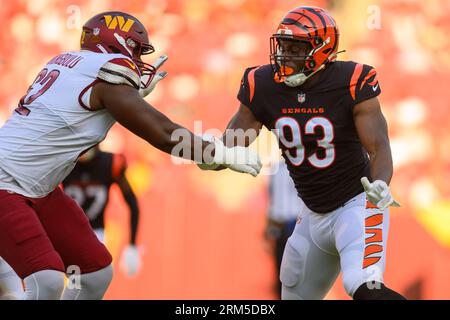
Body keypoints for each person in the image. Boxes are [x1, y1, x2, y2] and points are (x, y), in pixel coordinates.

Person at [0, 11, 261, 300]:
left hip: (37, 189)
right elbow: (161, 132)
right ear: (115, 45)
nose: (138, 60)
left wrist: (128, 97)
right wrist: (217, 152)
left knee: (94, 273)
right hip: (6, 184)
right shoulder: (105, 73)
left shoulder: (71, 63)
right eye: (135, 50)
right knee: (46, 281)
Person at [199, 6, 405, 300]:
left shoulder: (352, 80)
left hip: (357, 204)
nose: (285, 56)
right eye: (283, 46)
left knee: (364, 288)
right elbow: (231, 145)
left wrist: (381, 182)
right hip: (311, 213)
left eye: (296, 48)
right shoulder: (263, 84)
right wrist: (207, 155)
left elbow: (379, 147)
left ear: (322, 50)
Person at [62, 146, 141, 277]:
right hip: (68, 235)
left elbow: (132, 203)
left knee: (91, 282)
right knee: (69, 284)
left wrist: (132, 245)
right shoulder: (63, 161)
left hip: (96, 235)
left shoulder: (111, 163)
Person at [265, 160, 303, 298]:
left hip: (298, 225)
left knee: (298, 275)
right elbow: (272, 199)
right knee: (280, 274)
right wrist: (269, 227)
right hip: (280, 226)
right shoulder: (275, 169)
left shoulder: (303, 167)